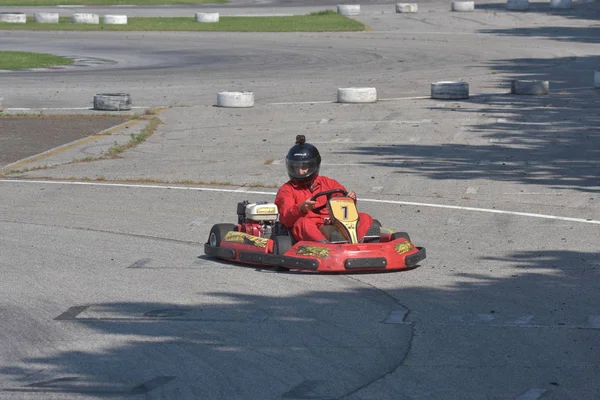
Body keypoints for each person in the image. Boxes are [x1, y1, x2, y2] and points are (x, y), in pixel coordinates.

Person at [275, 135, 379, 243]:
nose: (300, 172)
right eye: (296, 168)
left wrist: (349, 199)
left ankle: (363, 243)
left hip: (334, 223)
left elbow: (343, 203)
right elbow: (285, 219)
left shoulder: (328, 183)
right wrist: (301, 208)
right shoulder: (287, 189)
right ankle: (325, 245)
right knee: (302, 223)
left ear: (313, 165)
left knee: (364, 217)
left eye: (304, 167)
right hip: (311, 227)